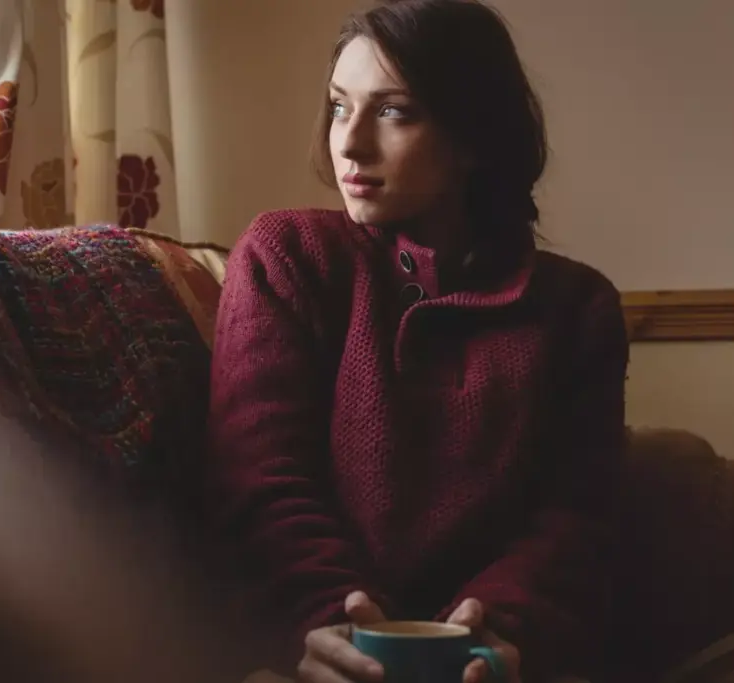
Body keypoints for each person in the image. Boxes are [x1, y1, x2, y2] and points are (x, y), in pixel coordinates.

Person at [207, 1, 629, 682]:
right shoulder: (287, 255)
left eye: (395, 111)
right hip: (313, 656)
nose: (349, 143)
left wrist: (498, 626)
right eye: (341, 106)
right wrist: (334, 628)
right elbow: (261, 480)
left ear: (474, 138)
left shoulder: (577, 308)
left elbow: (575, 520)